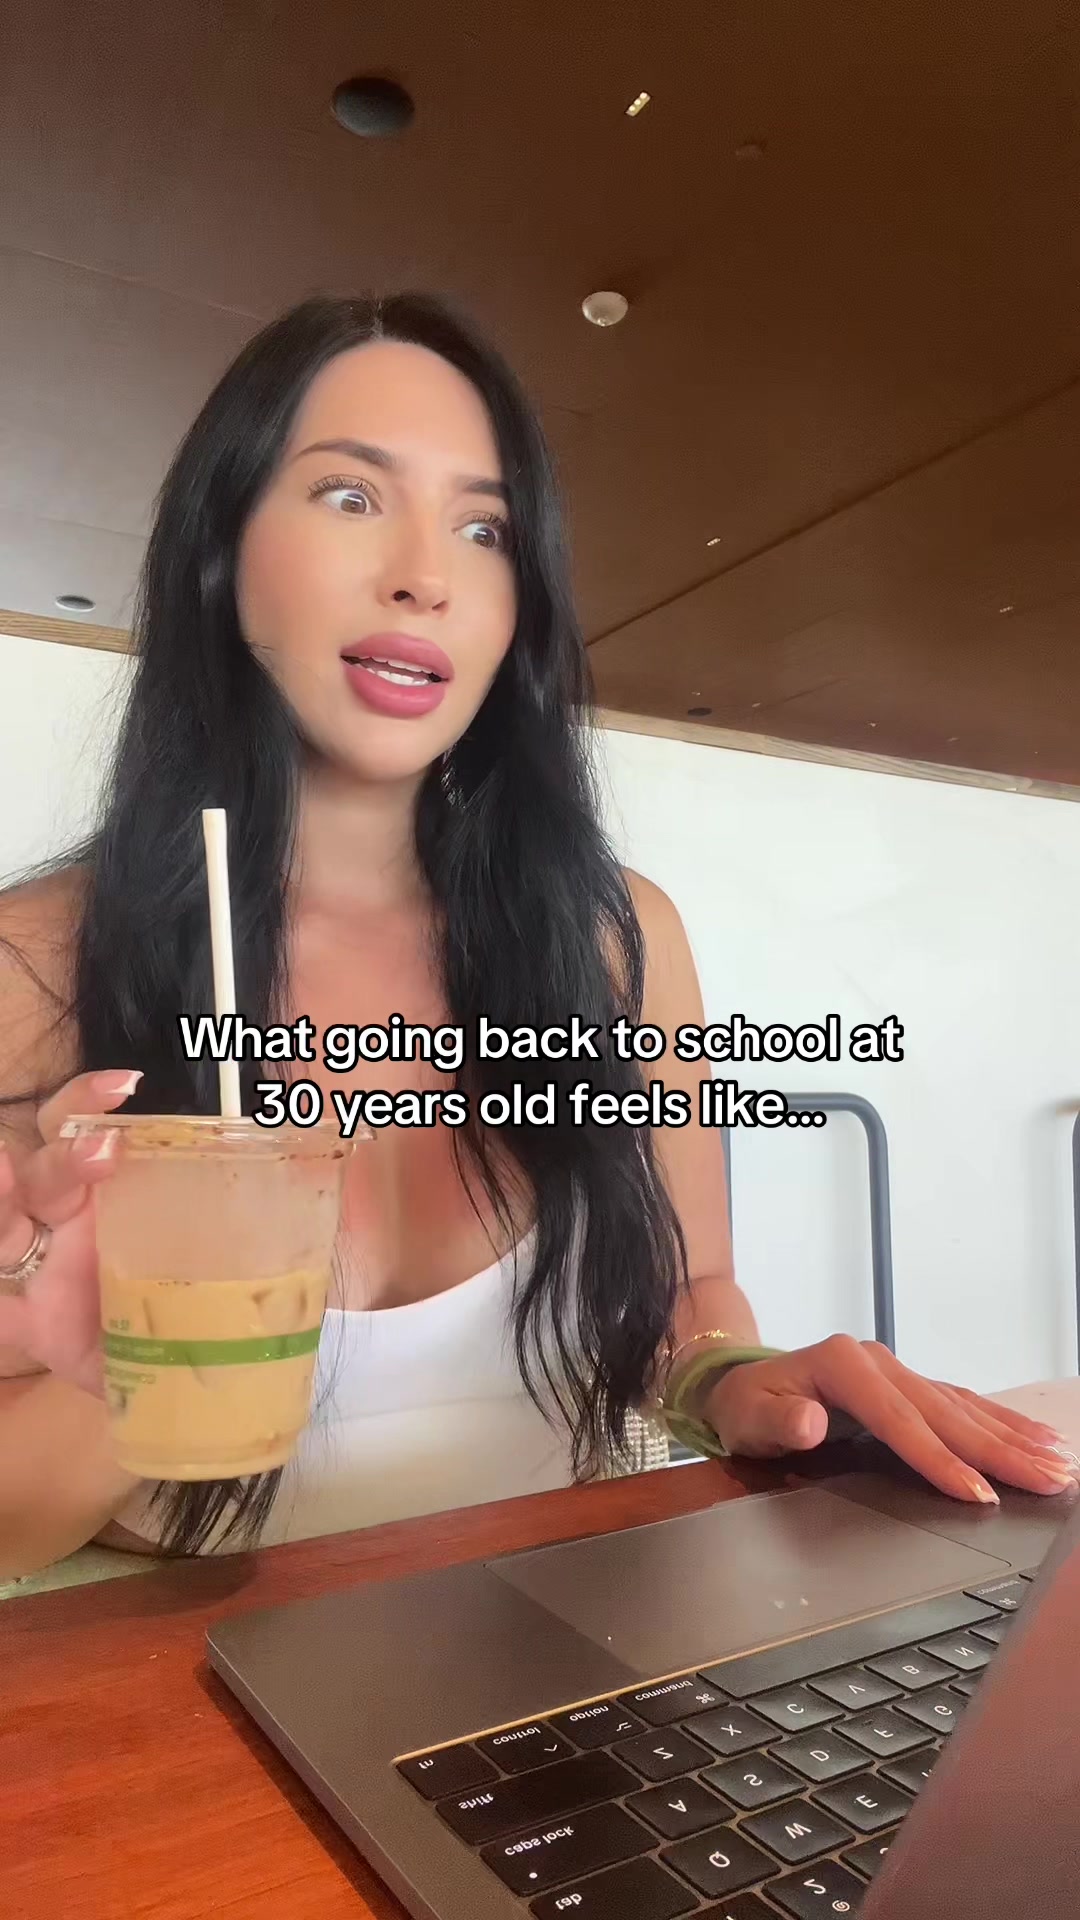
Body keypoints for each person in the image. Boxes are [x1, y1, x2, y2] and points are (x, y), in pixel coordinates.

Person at [0, 294, 1073, 1577]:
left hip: (560, 1644)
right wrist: (134, 1358)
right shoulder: (31, 967)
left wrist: (739, 1381)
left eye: (485, 528)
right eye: (350, 496)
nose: (427, 575)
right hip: (179, 1673)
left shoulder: (618, 942)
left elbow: (688, 1299)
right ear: (220, 556)